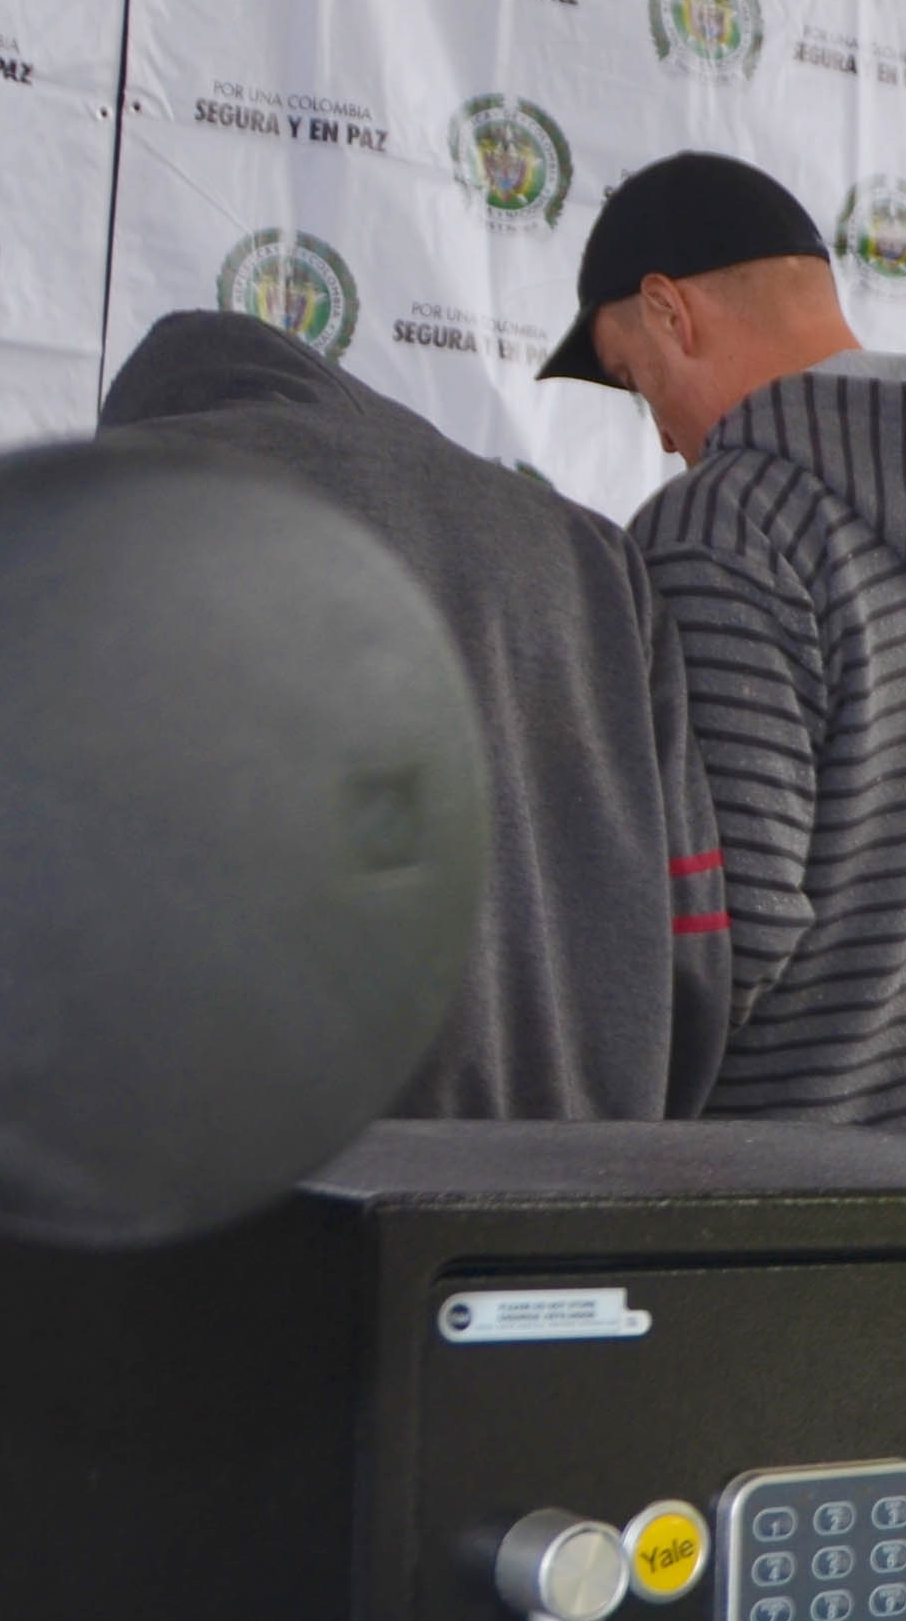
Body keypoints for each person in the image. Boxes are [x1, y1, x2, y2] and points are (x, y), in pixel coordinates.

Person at [549, 151, 906, 1132]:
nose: (662, 435)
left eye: (637, 380)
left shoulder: (721, 523)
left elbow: (724, 923)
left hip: (772, 1169)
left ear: (671, 311)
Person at [100, 311, 729, 1121]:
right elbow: (696, 945)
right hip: (569, 1171)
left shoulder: (87, 526)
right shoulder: (590, 555)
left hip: (232, 1169)